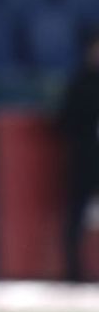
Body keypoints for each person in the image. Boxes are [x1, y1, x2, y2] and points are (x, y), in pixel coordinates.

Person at [56, 32, 99, 282]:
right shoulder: (80, 84)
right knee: (75, 216)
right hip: (86, 161)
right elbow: (64, 122)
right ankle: (73, 272)